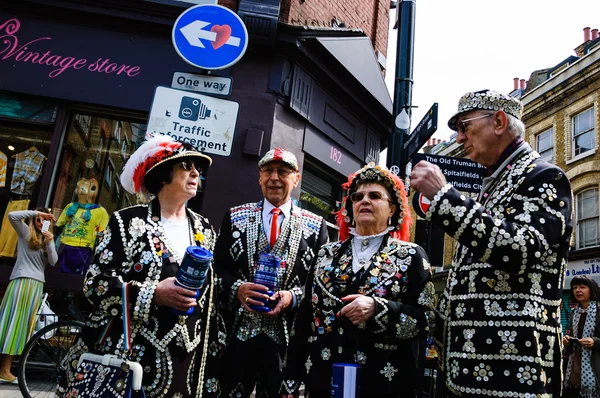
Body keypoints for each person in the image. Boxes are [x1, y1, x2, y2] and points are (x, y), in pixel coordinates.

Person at [410, 89, 573, 397]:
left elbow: (518, 250)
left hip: (513, 375)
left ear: (498, 121)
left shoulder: (544, 176)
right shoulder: (494, 185)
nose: (459, 138)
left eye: (464, 126)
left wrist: (446, 197)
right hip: (465, 374)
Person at [57, 135, 225, 397]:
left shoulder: (203, 228)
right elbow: (95, 283)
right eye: (186, 166)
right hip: (129, 360)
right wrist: (153, 293)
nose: (195, 173)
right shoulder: (126, 221)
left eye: (198, 169)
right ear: (162, 174)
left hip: (186, 363)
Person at [280, 162, 436, 398]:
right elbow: (303, 320)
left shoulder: (411, 256)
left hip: (382, 383)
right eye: (357, 196)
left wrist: (379, 309)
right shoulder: (326, 254)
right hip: (324, 380)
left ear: (392, 209)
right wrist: (291, 378)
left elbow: (427, 321)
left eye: (375, 196)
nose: (364, 201)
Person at [214, 148, 328, 398]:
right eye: (267, 171)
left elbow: (320, 283)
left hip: (287, 343)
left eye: (283, 172)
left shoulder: (315, 225)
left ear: (296, 178)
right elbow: (217, 269)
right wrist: (237, 289)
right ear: (259, 178)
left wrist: (293, 297)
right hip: (237, 338)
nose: (274, 178)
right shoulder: (234, 217)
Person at [0, 207, 57, 384]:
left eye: (44, 220)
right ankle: (4, 369)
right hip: (21, 282)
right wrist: (35, 213)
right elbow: (11, 215)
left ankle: (5, 369)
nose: (41, 223)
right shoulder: (25, 232)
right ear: (33, 220)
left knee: (19, 327)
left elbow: (53, 262)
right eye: (38, 220)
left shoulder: (47, 240)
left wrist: (51, 243)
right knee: (8, 322)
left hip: (36, 287)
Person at [563, 275, 600, 398]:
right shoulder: (575, 312)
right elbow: (573, 338)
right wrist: (567, 341)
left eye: (582, 287)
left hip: (595, 367)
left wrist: (595, 342)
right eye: (575, 288)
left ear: (592, 289)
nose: (578, 290)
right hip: (575, 367)